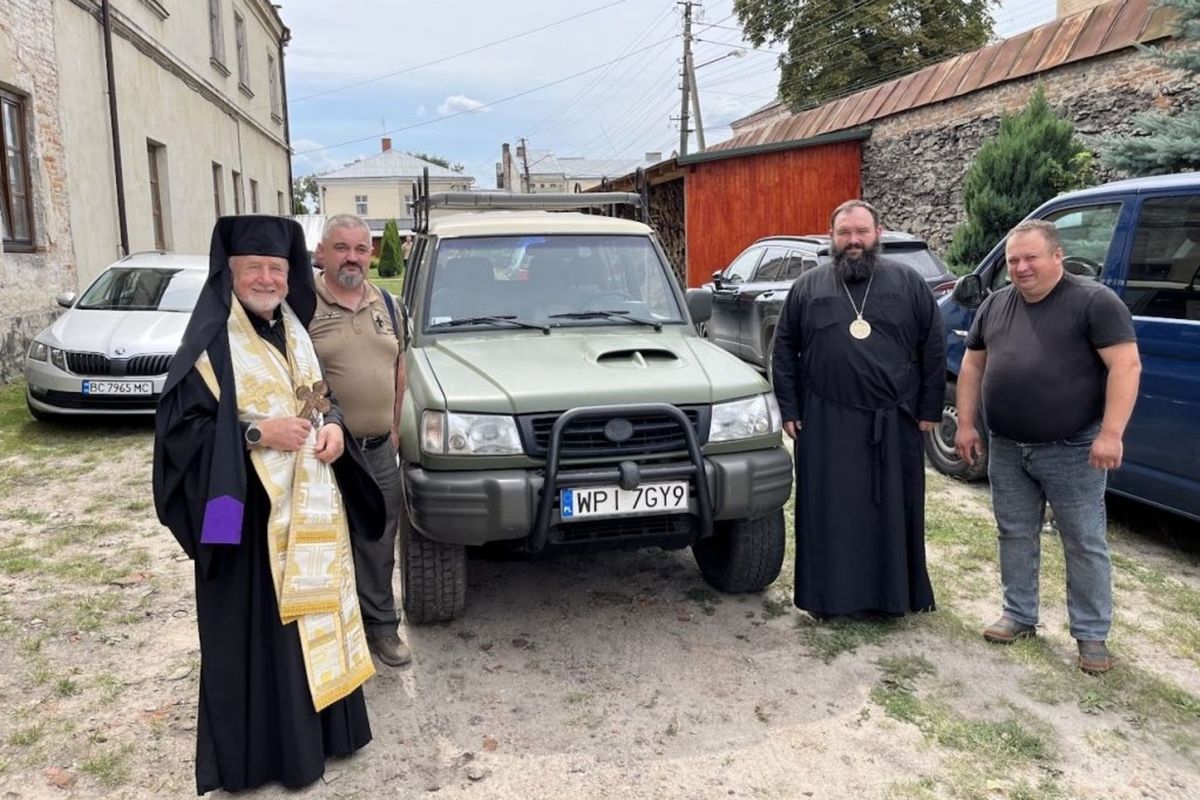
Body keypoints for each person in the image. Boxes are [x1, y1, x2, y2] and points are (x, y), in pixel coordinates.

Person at [153, 215, 386, 794]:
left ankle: (329, 734)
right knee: (246, 620)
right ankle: (266, 756)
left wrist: (331, 427)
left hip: (309, 506)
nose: (266, 279)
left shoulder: (296, 330)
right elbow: (181, 438)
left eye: (276, 269)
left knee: (316, 614)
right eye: (253, 267)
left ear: (290, 275)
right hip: (236, 511)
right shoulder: (209, 343)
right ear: (229, 272)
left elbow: (318, 401)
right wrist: (257, 436)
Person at [954, 219, 1140, 674]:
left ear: (1057, 257)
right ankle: (1018, 614)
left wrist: (1111, 432)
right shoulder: (996, 304)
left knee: (1083, 540)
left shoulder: (1094, 303)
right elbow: (973, 366)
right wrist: (966, 423)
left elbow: (1126, 366)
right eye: (1014, 260)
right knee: (1014, 532)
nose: (1020, 267)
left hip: (1073, 448)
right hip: (1007, 446)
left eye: (1030, 257)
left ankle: (1091, 635)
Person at [772, 200, 946, 619]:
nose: (853, 241)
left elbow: (933, 347)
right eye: (844, 233)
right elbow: (784, 349)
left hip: (894, 419)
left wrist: (930, 409)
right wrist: (790, 408)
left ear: (877, 234)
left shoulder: (908, 283)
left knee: (892, 510)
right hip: (825, 420)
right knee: (831, 513)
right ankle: (828, 599)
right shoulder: (808, 286)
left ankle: (893, 598)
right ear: (831, 237)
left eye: (861, 232)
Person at [310, 214, 411, 667]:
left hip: (378, 450)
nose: (352, 257)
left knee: (378, 541)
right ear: (322, 252)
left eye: (361, 249)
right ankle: (334, 638)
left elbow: (400, 367)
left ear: (371, 255)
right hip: (325, 455)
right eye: (341, 247)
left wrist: (393, 426)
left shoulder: (388, 305)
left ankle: (382, 629)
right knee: (327, 546)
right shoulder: (301, 306)